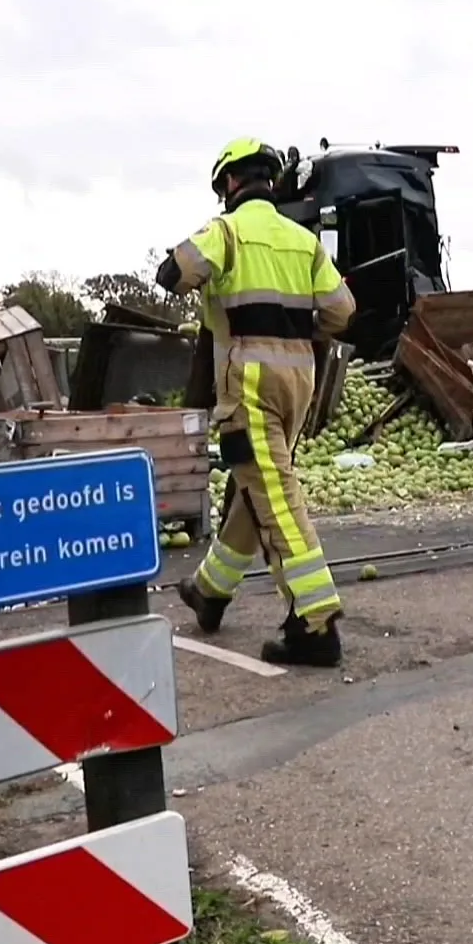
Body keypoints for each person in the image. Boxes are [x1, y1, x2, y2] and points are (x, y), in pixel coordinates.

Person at [155, 138, 356, 666]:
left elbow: (173, 272)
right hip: (299, 386)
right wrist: (295, 326)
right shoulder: (303, 241)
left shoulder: (226, 232)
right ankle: (210, 590)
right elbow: (341, 311)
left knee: (277, 499)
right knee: (257, 488)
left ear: (228, 184)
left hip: (248, 387)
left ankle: (315, 624)